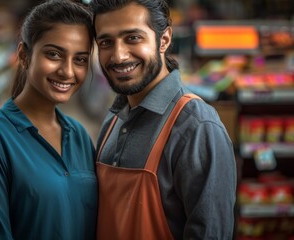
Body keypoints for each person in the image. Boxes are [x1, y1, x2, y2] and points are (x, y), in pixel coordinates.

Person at [90, 0, 237, 239]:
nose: (118, 56)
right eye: (106, 42)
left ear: (164, 39)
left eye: (133, 38)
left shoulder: (197, 127)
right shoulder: (113, 120)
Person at [0, 1, 97, 239]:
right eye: (54, 54)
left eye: (80, 59)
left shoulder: (79, 136)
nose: (68, 71)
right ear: (24, 55)